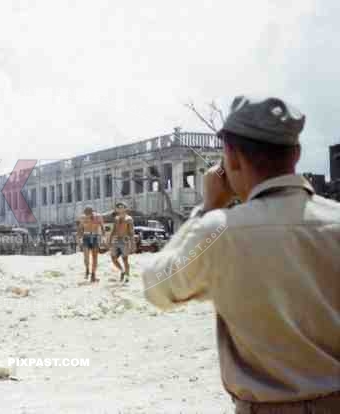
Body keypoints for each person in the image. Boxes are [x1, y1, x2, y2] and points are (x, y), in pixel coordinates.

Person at [141, 96, 340, 413]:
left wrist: (206, 210)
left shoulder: (220, 231)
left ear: (231, 157)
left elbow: (157, 287)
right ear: (297, 154)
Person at [77, 205, 104, 283]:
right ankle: (87, 269)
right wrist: (79, 238)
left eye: (88, 213)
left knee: (95, 257)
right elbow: (80, 228)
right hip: (86, 237)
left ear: (92, 212)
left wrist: (103, 237)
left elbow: (102, 227)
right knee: (86, 256)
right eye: (86, 213)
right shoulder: (83, 217)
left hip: (95, 236)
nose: (87, 215)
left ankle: (93, 274)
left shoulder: (98, 216)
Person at [108, 201, 134, 282]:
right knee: (113, 258)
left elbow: (131, 232)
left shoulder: (129, 219)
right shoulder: (116, 218)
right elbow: (113, 230)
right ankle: (122, 270)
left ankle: (127, 276)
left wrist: (132, 243)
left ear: (125, 208)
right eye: (118, 207)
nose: (120, 208)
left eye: (121, 207)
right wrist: (109, 240)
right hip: (116, 240)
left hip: (125, 240)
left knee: (125, 259)